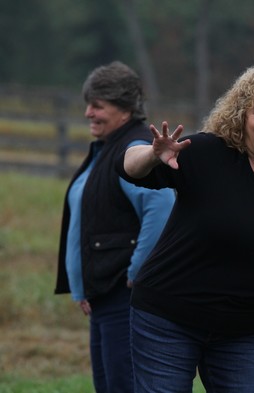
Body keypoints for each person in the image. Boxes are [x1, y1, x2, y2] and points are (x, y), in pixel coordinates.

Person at [115, 61, 254, 393]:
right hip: (167, 318)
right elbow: (128, 168)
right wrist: (153, 156)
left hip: (242, 333)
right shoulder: (207, 155)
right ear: (241, 119)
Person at [54, 61, 176, 392]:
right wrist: (82, 286)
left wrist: (137, 271)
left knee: (124, 386)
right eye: (87, 104)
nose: (88, 113)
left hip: (124, 297)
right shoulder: (106, 149)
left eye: (98, 105)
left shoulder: (132, 149)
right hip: (105, 295)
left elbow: (161, 206)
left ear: (124, 109)